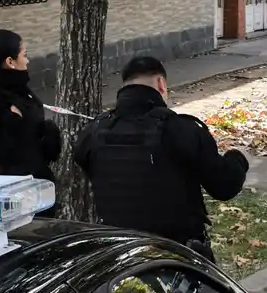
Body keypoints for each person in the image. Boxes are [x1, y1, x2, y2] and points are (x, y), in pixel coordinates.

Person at [74, 55, 249, 262]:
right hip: (177, 258)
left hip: (119, 258)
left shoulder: (93, 132)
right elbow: (224, 186)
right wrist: (237, 159)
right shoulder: (182, 130)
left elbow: (89, 166)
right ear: (161, 84)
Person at [0, 29, 63, 193]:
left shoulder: (19, 89)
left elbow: (30, 132)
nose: (28, 61)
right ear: (10, 61)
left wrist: (47, 138)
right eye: (24, 55)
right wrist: (12, 125)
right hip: (11, 189)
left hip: (36, 182)